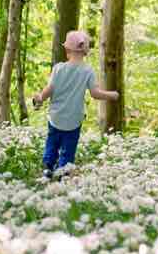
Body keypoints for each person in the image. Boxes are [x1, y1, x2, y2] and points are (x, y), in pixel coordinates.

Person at [30, 30, 118, 178]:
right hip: (74, 119)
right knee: (68, 148)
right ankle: (63, 172)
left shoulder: (58, 68)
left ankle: (47, 167)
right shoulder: (88, 71)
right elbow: (95, 94)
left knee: (52, 142)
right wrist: (111, 95)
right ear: (85, 52)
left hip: (56, 117)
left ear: (67, 50)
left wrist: (40, 98)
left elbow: (49, 89)